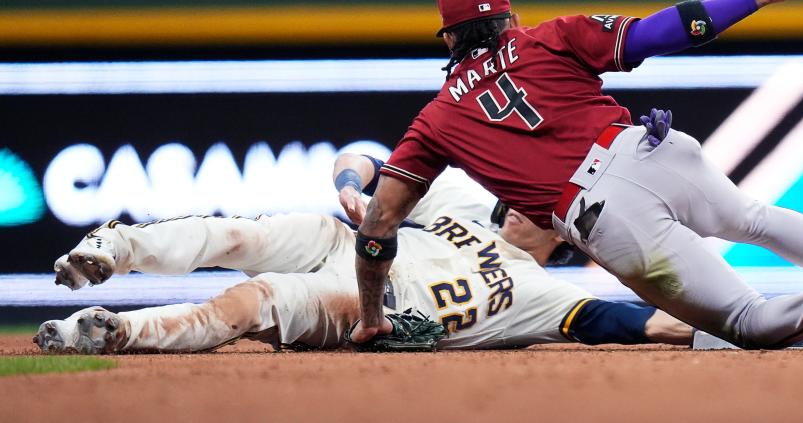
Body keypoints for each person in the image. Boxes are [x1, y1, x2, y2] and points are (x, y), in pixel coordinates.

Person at [349, 0, 803, 349]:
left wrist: (373, 317)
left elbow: (379, 226)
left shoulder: (437, 119)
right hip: (649, 146)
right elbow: (662, 31)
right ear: (509, 18)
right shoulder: (550, 34)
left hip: (601, 213)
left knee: (747, 323)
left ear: (450, 37)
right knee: (756, 219)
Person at [36, 156, 692, 354]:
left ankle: (116, 330)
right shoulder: (463, 195)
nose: (528, 201)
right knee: (237, 234)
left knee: (251, 302)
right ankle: (114, 246)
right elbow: (360, 160)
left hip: (365, 302)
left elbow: (636, 322)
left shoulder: (545, 293)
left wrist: (735, 327)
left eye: (547, 203)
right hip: (339, 243)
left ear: (569, 235)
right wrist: (351, 188)